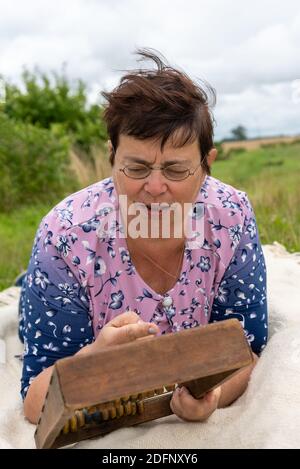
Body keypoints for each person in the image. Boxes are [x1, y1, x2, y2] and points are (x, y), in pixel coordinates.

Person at [19, 49, 268, 425]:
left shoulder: (231, 218)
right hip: (61, 273)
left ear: (206, 165)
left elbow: (245, 349)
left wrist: (213, 395)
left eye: (175, 169)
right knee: (33, 291)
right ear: (112, 157)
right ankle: (30, 283)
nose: (154, 187)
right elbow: (36, 401)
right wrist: (94, 361)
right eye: (136, 167)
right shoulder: (64, 236)